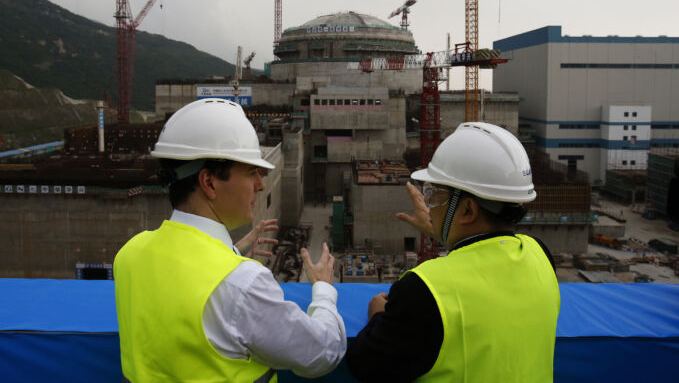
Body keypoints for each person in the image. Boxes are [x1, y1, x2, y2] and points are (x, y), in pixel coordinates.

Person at [114, 98, 346, 383]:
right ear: (209, 182)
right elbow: (324, 352)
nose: (261, 185)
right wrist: (323, 289)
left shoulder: (130, 253)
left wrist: (232, 251)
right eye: (251, 173)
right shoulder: (242, 283)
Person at [346, 122, 560, 382]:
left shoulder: (425, 289)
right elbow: (485, 260)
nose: (429, 204)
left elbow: (366, 365)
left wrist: (378, 315)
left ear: (468, 210)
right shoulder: (541, 255)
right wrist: (447, 231)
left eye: (436, 196)